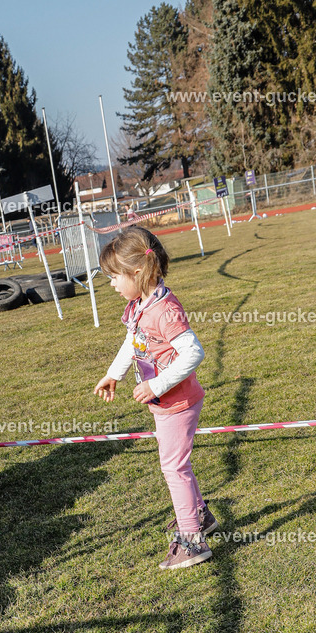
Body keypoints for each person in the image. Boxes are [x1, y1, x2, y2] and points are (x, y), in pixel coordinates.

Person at [93, 226, 217, 569]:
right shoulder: (140, 305)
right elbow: (133, 342)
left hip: (178, 404)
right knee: (177, 466)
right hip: (165, 405)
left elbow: (194, 352)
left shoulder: (164, 310)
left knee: (174, 468)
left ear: (137, 272)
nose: (112, 285)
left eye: (115, 277)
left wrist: (158, 385)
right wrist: (113, 374)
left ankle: (192, 541)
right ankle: (200, 517)